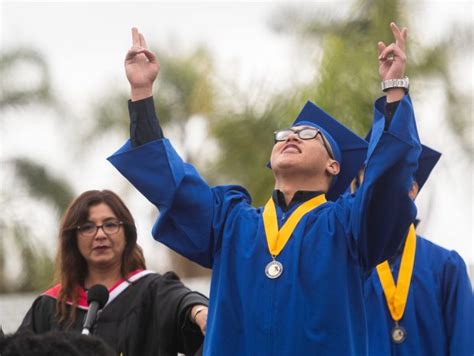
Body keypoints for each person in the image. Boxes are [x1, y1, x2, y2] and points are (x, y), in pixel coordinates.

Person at [108, 23, 420, 355]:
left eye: (308, 135)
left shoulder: (348, 226)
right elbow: (173, 185)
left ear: (334, 166)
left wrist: (394, 89)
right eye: (285, 135)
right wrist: (142, 93)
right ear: (272, 163)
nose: (292, 137)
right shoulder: (230, 222)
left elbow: (386, 181)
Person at [18, 189, 208, 356]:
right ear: (73, 239)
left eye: (110, 225)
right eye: (87, 227)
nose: (100, 235)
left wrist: (199, 312)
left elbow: (183, 303)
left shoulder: (152, 290)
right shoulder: (50, 305)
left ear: (127, 234)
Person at [359, 145, 474, 355]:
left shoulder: (446, 266)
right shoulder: (348, 268)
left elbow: (464, 345)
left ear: (413, 188)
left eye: (388, 174)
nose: (376, 184)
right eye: (368, 178)